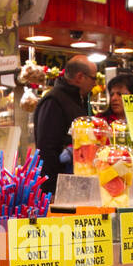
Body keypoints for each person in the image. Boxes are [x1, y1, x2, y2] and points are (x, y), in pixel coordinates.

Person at [35, 55, 97, 195]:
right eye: (94, 78)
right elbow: (47, 149)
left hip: (80, 185)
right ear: (80, 77)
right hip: (60, 189)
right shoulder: (53, 101)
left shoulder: (79, 101)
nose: (95, 84)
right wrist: (52, 192)